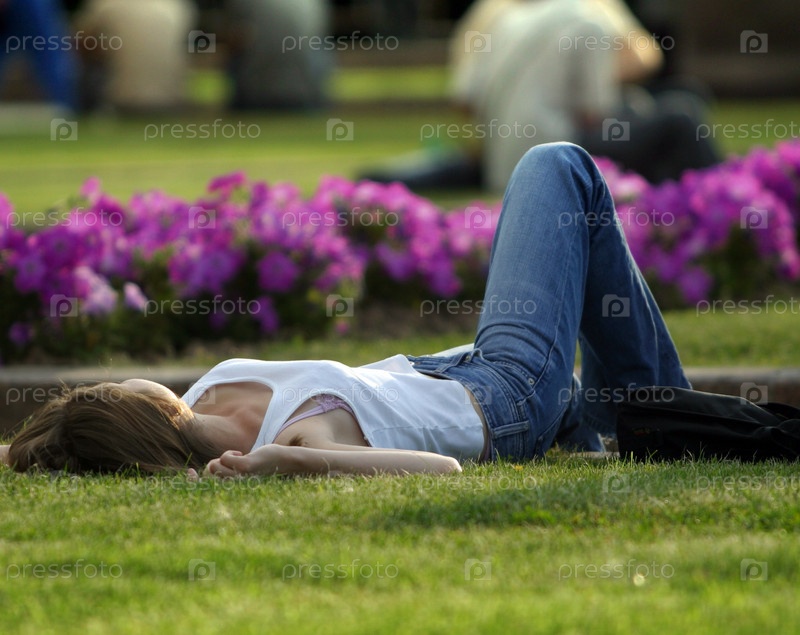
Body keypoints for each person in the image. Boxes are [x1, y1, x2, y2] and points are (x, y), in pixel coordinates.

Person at [1, 142, 691, 478]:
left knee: (578, 238)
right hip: (507, 397)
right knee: (558, 168)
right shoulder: (294, 441)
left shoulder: (205, 393)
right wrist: (290, 463)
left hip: (453, 369)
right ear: (143, 412)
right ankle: (667, 420)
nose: (121, 380)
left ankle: (639, 416)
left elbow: (40, 447)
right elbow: (442, 472)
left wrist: (28, 450)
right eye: (115, 391)